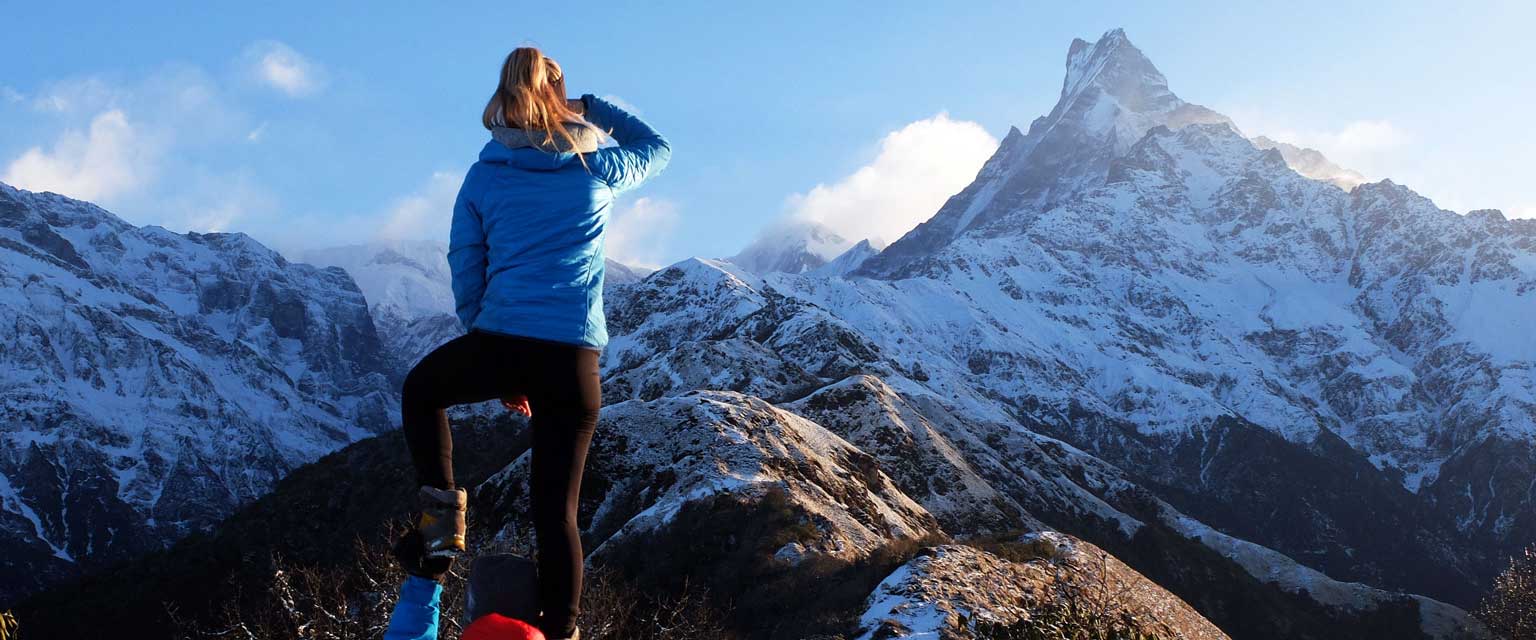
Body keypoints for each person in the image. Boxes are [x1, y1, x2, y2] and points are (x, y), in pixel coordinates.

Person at [398, 45, 670, 640]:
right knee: (557, 512)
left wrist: (489, 347)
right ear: (558, 92)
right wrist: (590, 107)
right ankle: (563, 630)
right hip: (573, 359)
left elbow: (466, 262)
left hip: (502, 341)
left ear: (503, 96)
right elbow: (658, 147)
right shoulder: (595, 168)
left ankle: (441, 519)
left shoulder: (484, 173)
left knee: (422, 392)